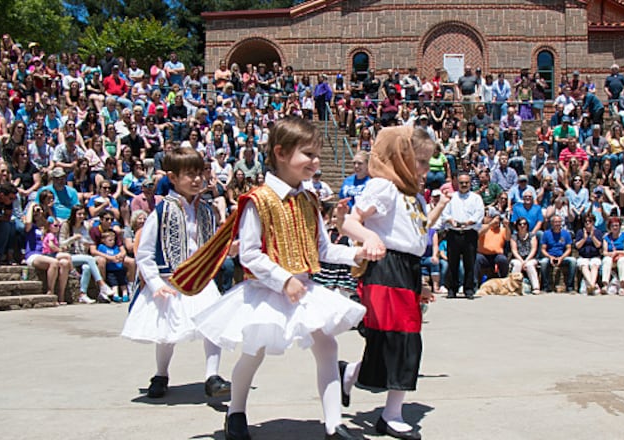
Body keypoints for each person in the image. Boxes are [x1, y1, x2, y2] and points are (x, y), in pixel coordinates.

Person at [172, 118, 367, 440]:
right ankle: (235, 412)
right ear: (280, 153)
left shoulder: (308, 199)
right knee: (254, 352)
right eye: (308, 154)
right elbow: (249, 254)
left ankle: (334, 424)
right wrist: (282, 279)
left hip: (304, 288)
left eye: (317, 155)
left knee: (327, 346)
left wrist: (354, 255)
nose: (315, 162)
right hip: (266, 290)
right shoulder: (257, 200)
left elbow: (321, 249)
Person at [339, 125, 448, 440]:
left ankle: (354, 375)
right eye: (421, 161)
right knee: (398, 340)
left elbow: (417, 235)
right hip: (386, 267)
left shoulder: (414, 196)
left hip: (408, 269)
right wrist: (369, 236)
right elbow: (349, 222)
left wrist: (421, 283)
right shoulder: (383, 187)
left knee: (398, 340)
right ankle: (392, 414)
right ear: (402, 157)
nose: (426, 169)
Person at [120, 147, 232, 401]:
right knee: (166, 331)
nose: (196, 180)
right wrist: (155, 283)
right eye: (189, 174)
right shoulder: (161, 211)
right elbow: (145, 253)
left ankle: (212, 376)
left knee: (213, 325)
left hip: (200, 280)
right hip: (170, 279)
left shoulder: (206, 209)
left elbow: (210, 245)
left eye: (199, 174)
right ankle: (161, 374)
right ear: (172, 177)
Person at [440, 172, 485, 298]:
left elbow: (479, 213)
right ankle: (452, 289)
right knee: (452, 263)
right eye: (461, 183)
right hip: (453, 233)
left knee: (469, 263)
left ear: (470, 183)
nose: (464, 185)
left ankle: (469, 289)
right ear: (457, 183)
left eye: (466, 183)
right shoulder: (451, 197)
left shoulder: (476, 198)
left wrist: (469, 221)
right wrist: (450, 220)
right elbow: (444, 213)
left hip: (469, 233)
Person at [539, 215, 576, 292]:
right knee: (543, 262)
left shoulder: (566, 234)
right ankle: (545, 286)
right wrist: (550, 257)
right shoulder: (546, 233)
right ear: (552, 223)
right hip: (549, 256)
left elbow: (569, 249)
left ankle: (570, 287)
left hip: (562, 256)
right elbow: (543, 249)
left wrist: (561, 258)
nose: (557, 224)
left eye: (559, 222)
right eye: (555, 222)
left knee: (573, 261)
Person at [474, 209, 511, 283]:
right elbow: (479, 234)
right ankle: (474, 284)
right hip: (483, 255)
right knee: (476, 259)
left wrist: (507, 226)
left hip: (496, 255)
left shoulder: (502, 230)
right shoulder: (483, 227)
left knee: (503, 260)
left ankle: (504, 282)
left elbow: (508, 238)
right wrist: (491, 224)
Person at [601, 217, 624, 295]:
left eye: (616, 225)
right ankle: (605, 285)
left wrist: (617, 253)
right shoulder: (606, 238)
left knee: (622, 261)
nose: (615, 228)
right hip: (611, 257)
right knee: (606, 260)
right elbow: (605, 252)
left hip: (623, 257)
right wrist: (612, 255)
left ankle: (622, 286)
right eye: (613, 226)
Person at [509, 217, 540, 295]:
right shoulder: (514, 236)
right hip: (517, 257)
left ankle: (535, 287)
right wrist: (522, 261)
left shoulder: (532, 235)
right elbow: (514, 251)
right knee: (517, 264)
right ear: (517, 226)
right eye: (520, 224)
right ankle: (512, 286)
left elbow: (534, 249)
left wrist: (526, 261)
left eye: (524, 224)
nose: (522, 226)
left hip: (530, 257)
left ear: (527, 225)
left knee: (529, 265)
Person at [575, 214, 603, 294]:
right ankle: (593, 285)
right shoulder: (580, 232)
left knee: (594, 265)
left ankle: (591, 285)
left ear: (593, 222)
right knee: (584, 265)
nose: (587, 223)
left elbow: (598, 245)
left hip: (594, 256)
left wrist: (592, 236)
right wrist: (584, 238)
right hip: (583, 256)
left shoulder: (598, 232)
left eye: (590, 221)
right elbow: (577, 246)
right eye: (586, 221)